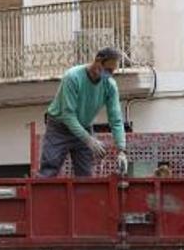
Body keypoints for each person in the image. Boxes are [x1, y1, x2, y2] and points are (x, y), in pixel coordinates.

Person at [37, 47, 129, 177]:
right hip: (59, 128)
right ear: (98, 60)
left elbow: (116, 119)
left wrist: (121, 150)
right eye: (107, 70)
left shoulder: (110, 85)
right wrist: (89, 140)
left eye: (112, 72)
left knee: (85, 176)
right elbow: (68, 115)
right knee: (49, 170)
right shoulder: (73, 77)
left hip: (84, 127)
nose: (109, 75)